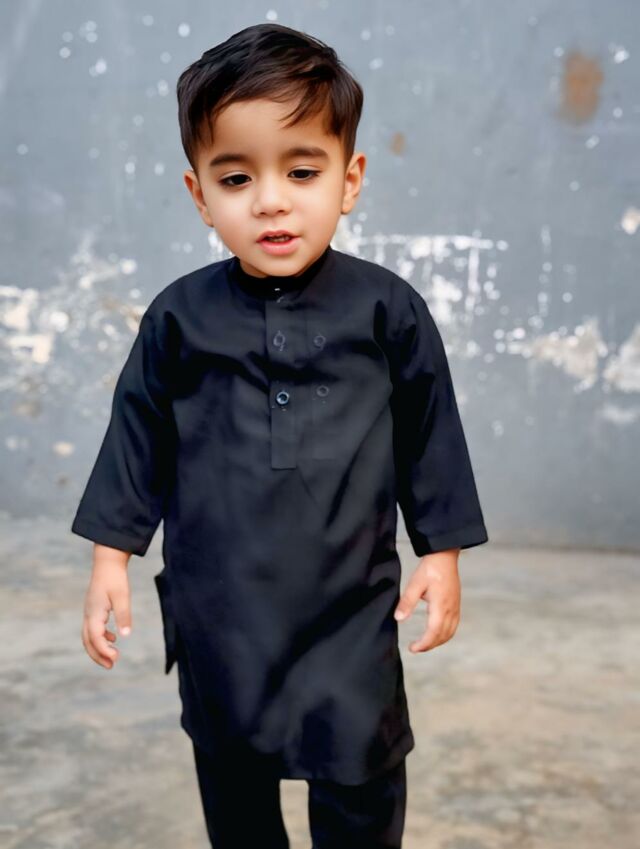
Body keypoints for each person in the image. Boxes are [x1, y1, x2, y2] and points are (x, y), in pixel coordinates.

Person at [72, 22, 489, 848]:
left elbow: (429, 433)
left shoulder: (388, 310)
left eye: (302, 171)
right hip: (222, 610)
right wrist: (109, 560)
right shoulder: (179, 318)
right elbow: (137, 439)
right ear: (200, 195)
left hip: (350, 604)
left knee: (361, 770)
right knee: (233, 778)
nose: (270, 200)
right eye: (236, 177)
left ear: (349, 179)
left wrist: (440, 554)